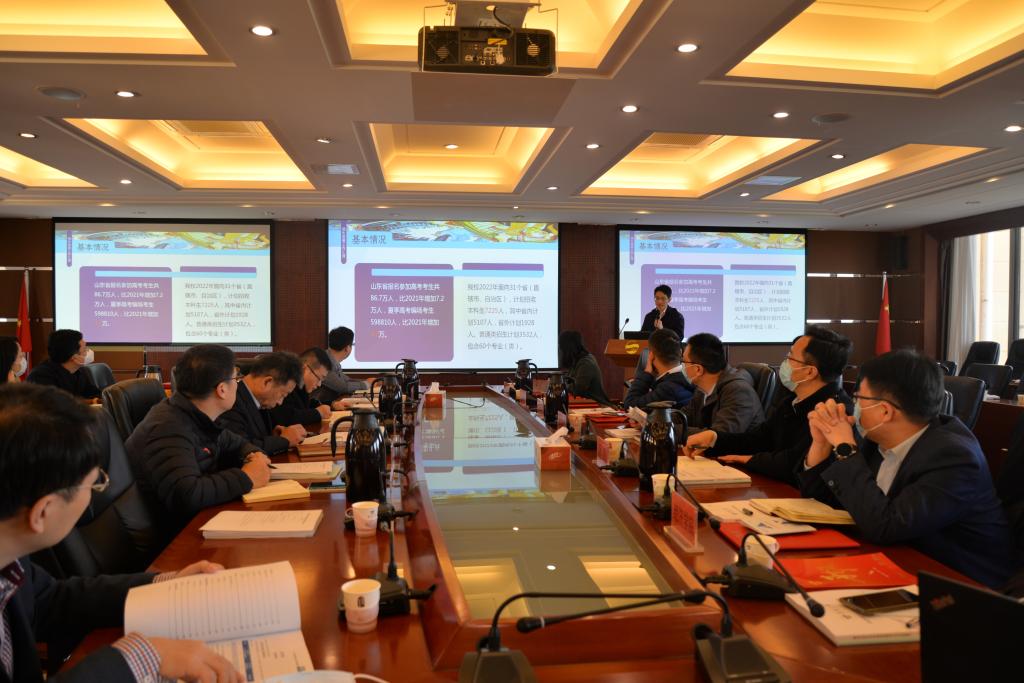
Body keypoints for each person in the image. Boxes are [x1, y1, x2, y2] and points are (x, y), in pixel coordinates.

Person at [0, 382, 244, 683]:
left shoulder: (11, 553)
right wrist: (142, 656)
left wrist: (167, 585)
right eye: (94, 483)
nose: (98, 490)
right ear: (42, 512)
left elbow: (48, 600)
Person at [800, 349, 1012, 588]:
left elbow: (886, 526)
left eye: (858, 398)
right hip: (895, 561)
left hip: (959, 584)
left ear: (885, 411)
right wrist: (821, 443)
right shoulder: (874, 439)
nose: (853, 406)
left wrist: (845, 448)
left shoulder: (954, 457)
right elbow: (823, 502)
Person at [127, 344, 272, 542]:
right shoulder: (168, 428)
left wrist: (252, 454)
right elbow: (187, 494)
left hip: (198, 522)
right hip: (177, 541)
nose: (238, 385)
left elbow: (233, 441)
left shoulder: (194, 414)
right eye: (236, 379)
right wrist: (246, 477)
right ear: (222, 389)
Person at [684, 325, 853, 484]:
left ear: (809, 372)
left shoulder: (834, 411)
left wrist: (750, 460)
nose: (785, 363)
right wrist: (714, 438)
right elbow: (759, 439)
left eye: (790, 357)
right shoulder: (792, 401)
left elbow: (795, 462)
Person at [217, 352, 306, 456]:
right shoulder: (232, 402)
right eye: (283, 395)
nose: (280, 402)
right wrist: (284, 440)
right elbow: (240, 449)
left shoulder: (254, 399)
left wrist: (274, 436)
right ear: (267, 382)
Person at [681, 333, 764, 434]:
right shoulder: (702, 389)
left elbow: (719, 435)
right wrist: (665, 420)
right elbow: (684, 416)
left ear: (698, 369)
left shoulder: (738, 391)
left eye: (684, 361)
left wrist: (673, 431)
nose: (682, 366)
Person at [623, 328, 693, 409]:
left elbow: (629, 404)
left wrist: (647, 373)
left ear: (651, 355)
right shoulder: (689, 378)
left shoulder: (667, 389)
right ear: (681, 352)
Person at [26, 329, 99, 399]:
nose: (89, 351)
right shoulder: (41, 376)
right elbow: (55, 403)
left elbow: (93, 393)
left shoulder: (79, 371)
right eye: (85, 349)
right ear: (74, 357)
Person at [269, 347, 333, 427]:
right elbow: (286, 417)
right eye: (319, 378)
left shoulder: (302, 386)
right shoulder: (285, 380)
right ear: (305, 368)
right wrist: (318, 413)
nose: (319, 384)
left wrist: (331, 405)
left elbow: (304, 405)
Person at [312, 326, 367, 404]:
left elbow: (346, 380)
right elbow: (343, 387)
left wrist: (365, 382)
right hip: (318, 406)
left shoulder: (331, 359)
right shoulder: (324, 361)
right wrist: (366, 384)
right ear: (347, 348)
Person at [558, 330, 612, 405]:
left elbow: (577, 390)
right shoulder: (576, 360)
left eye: (560, 348)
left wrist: (559, 386)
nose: (560, 351)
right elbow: (569, 382)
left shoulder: (586, 363)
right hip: (585, 404)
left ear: (567, 349)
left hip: (597, 406)